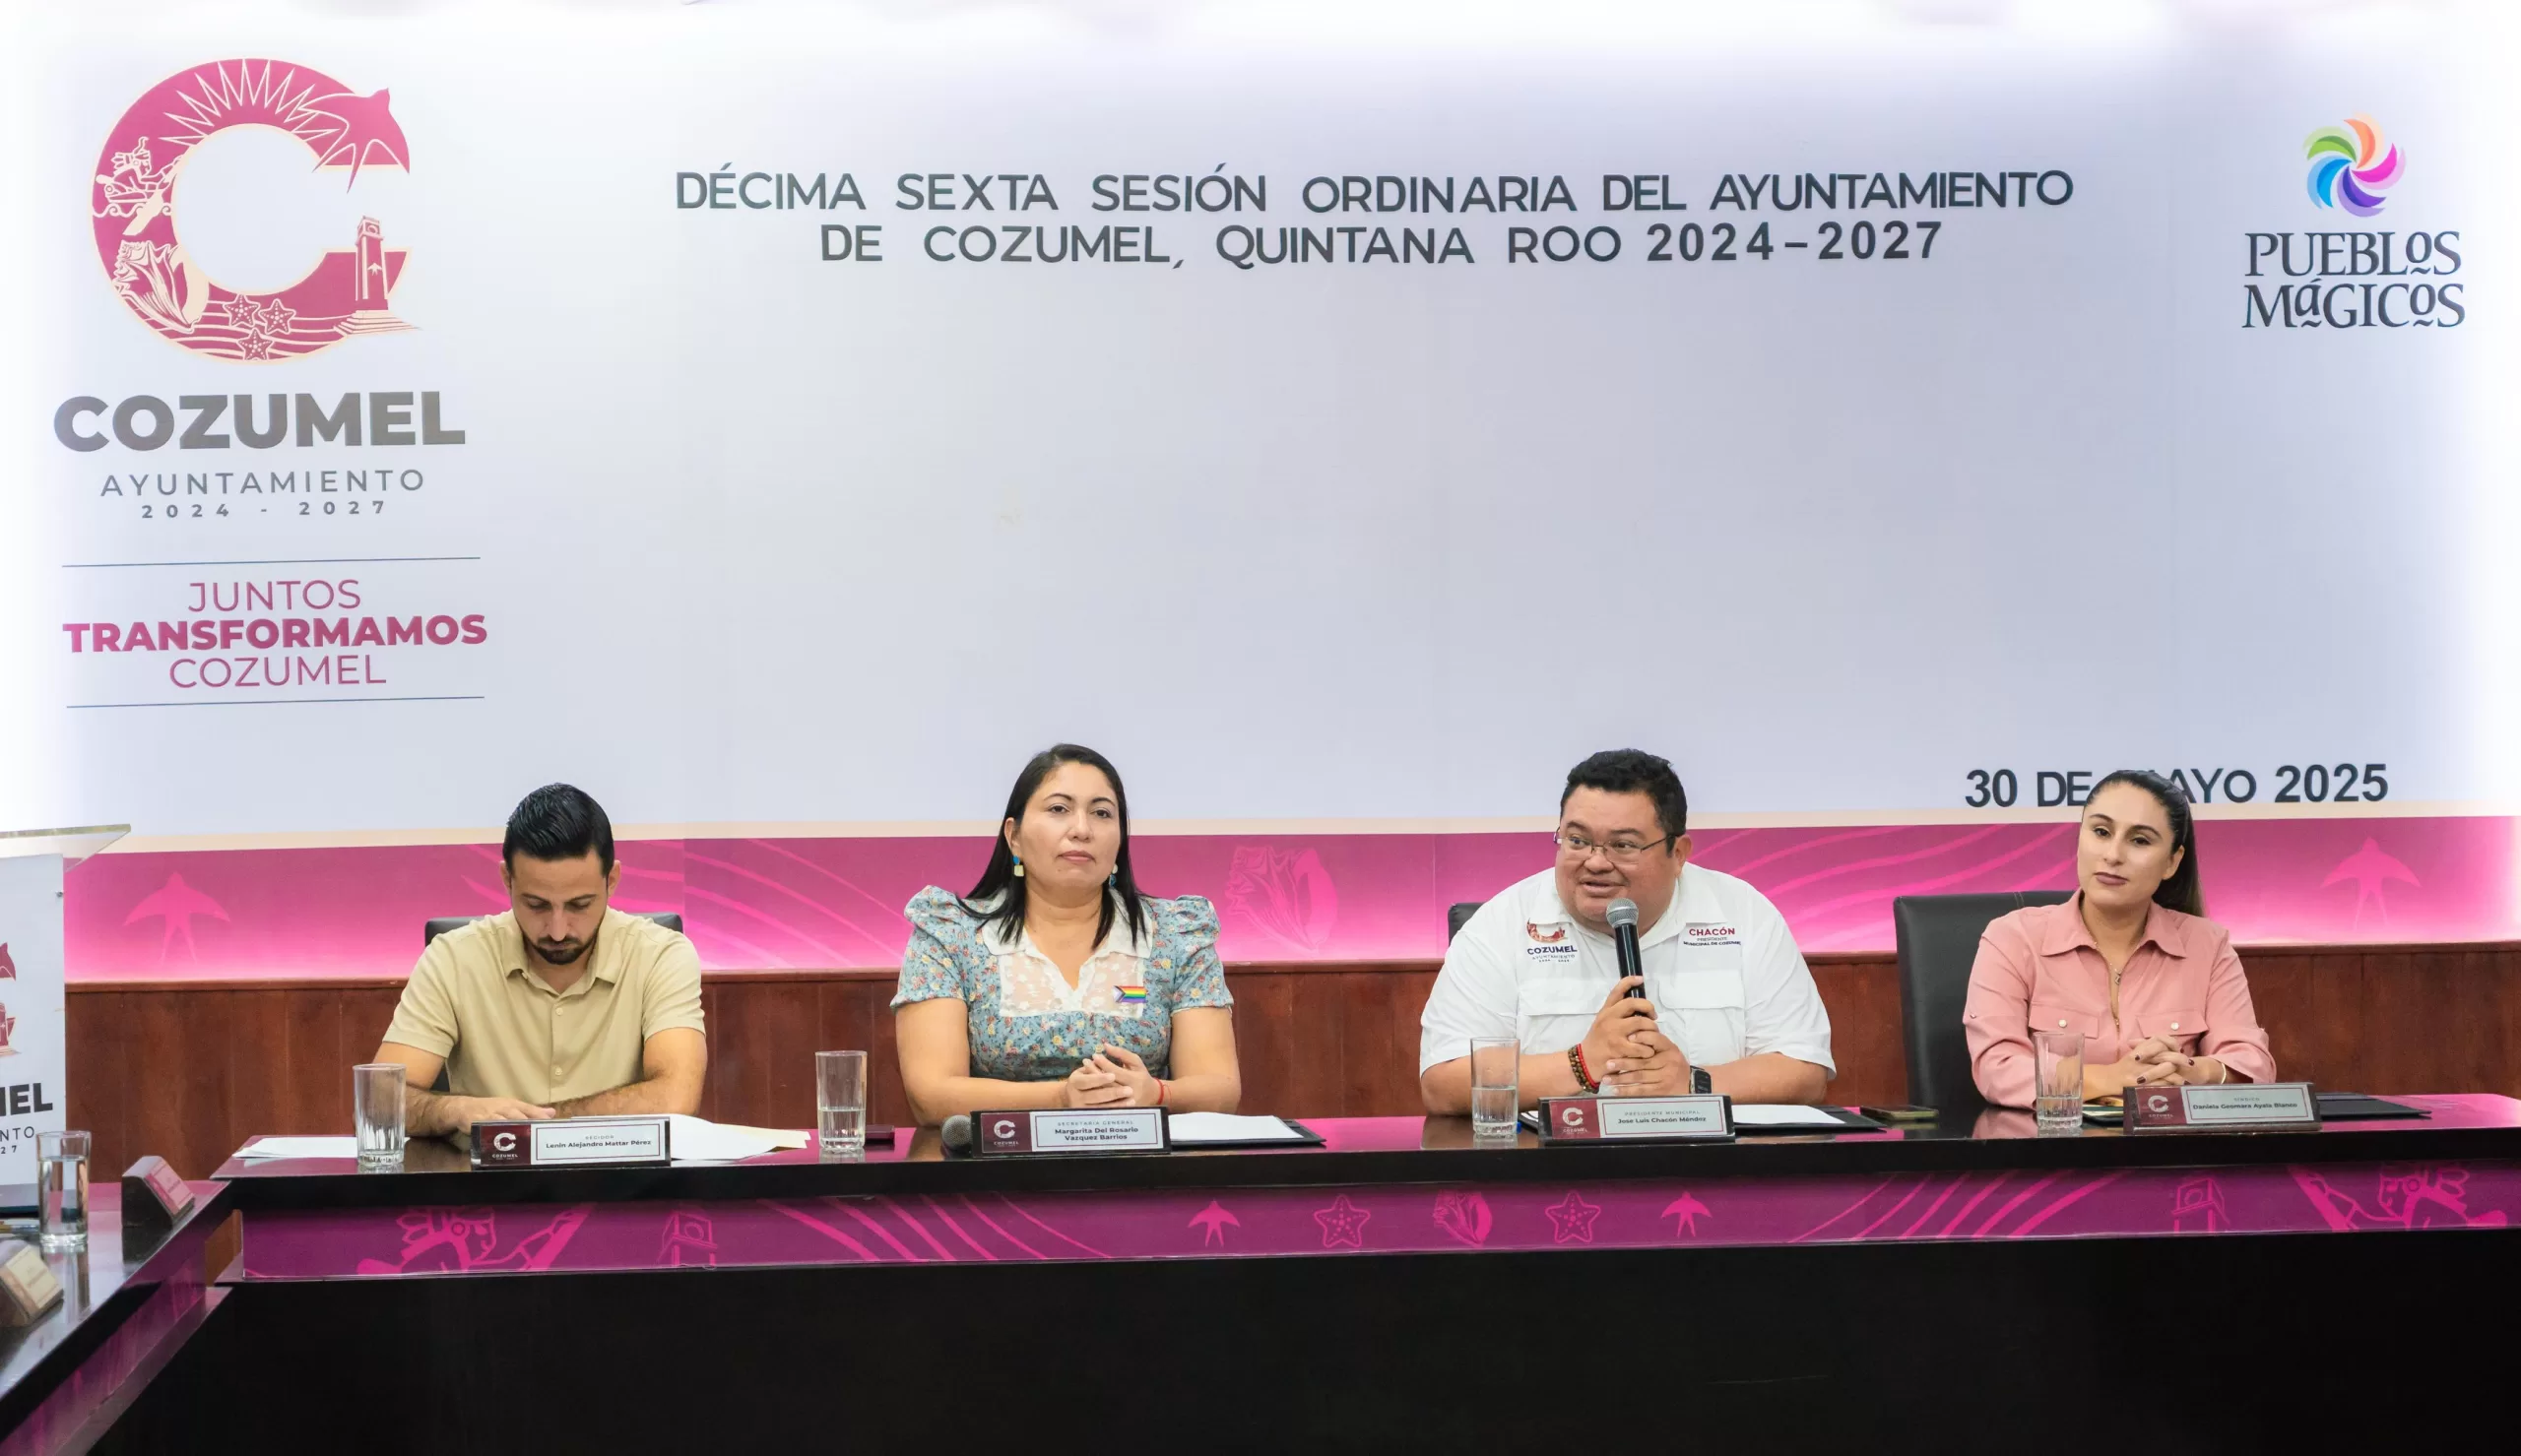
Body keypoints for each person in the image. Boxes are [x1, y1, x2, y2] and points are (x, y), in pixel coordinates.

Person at [1420, 749, 1834, 1110]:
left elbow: (1804, 1071)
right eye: (1577, 840)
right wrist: (1582, 1063)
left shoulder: (1741, 913)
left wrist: (1692, 1083)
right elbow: (1442, 1083)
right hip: (1554, 1165)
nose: (1596, 862)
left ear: (1678, 853)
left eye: (1623, 845)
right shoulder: (1503, 924)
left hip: (1706, 1161)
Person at [893, 744, 1242, 1124]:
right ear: (1014, 836)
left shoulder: (1176, 935)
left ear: (1120, 840)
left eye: (1101, 813)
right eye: (1059, 809)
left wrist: (1158, 1094)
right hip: (1000, 1156)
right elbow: (930, 1095)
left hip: (1142, 1152)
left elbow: (1220, 1089)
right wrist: (1061, 1098)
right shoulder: (951, 934)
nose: (1081, 830)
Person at [375, 784, 707, 1135]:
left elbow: (676, 1095)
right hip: (481, 1171)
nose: (558, 931)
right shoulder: (453, 959)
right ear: (508, 880)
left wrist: (525, 1125)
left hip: (621, 1171)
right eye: (537, 905)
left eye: (579, 905)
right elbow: (379, 1102)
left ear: (611, 881)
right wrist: (452, 1109)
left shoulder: (660, 955)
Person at [1965, 769, 2274, 1107]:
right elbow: (1998, 1069)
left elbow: (2253, 1064)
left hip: (2168, 1138)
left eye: (2140, 840)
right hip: (2049, 1138)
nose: (2113, 855)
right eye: (2101, 832)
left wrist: (2190, 1071)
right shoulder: (2013, 938)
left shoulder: (2208, 945)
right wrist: (2113, 1078)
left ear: (2172, 862)